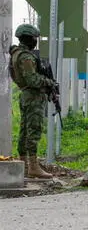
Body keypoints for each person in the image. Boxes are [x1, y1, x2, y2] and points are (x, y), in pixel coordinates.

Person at [9, 24, 56, 179]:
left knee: (24, 130)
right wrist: (49, 82)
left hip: (25, 94)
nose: (36, 41)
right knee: (33, 130)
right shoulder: (26, 56)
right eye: (34, 38)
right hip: (33, 96)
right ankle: (33, 166)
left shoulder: (16, 53)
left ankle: (24, 164)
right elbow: (33, 79)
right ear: (29, 38)